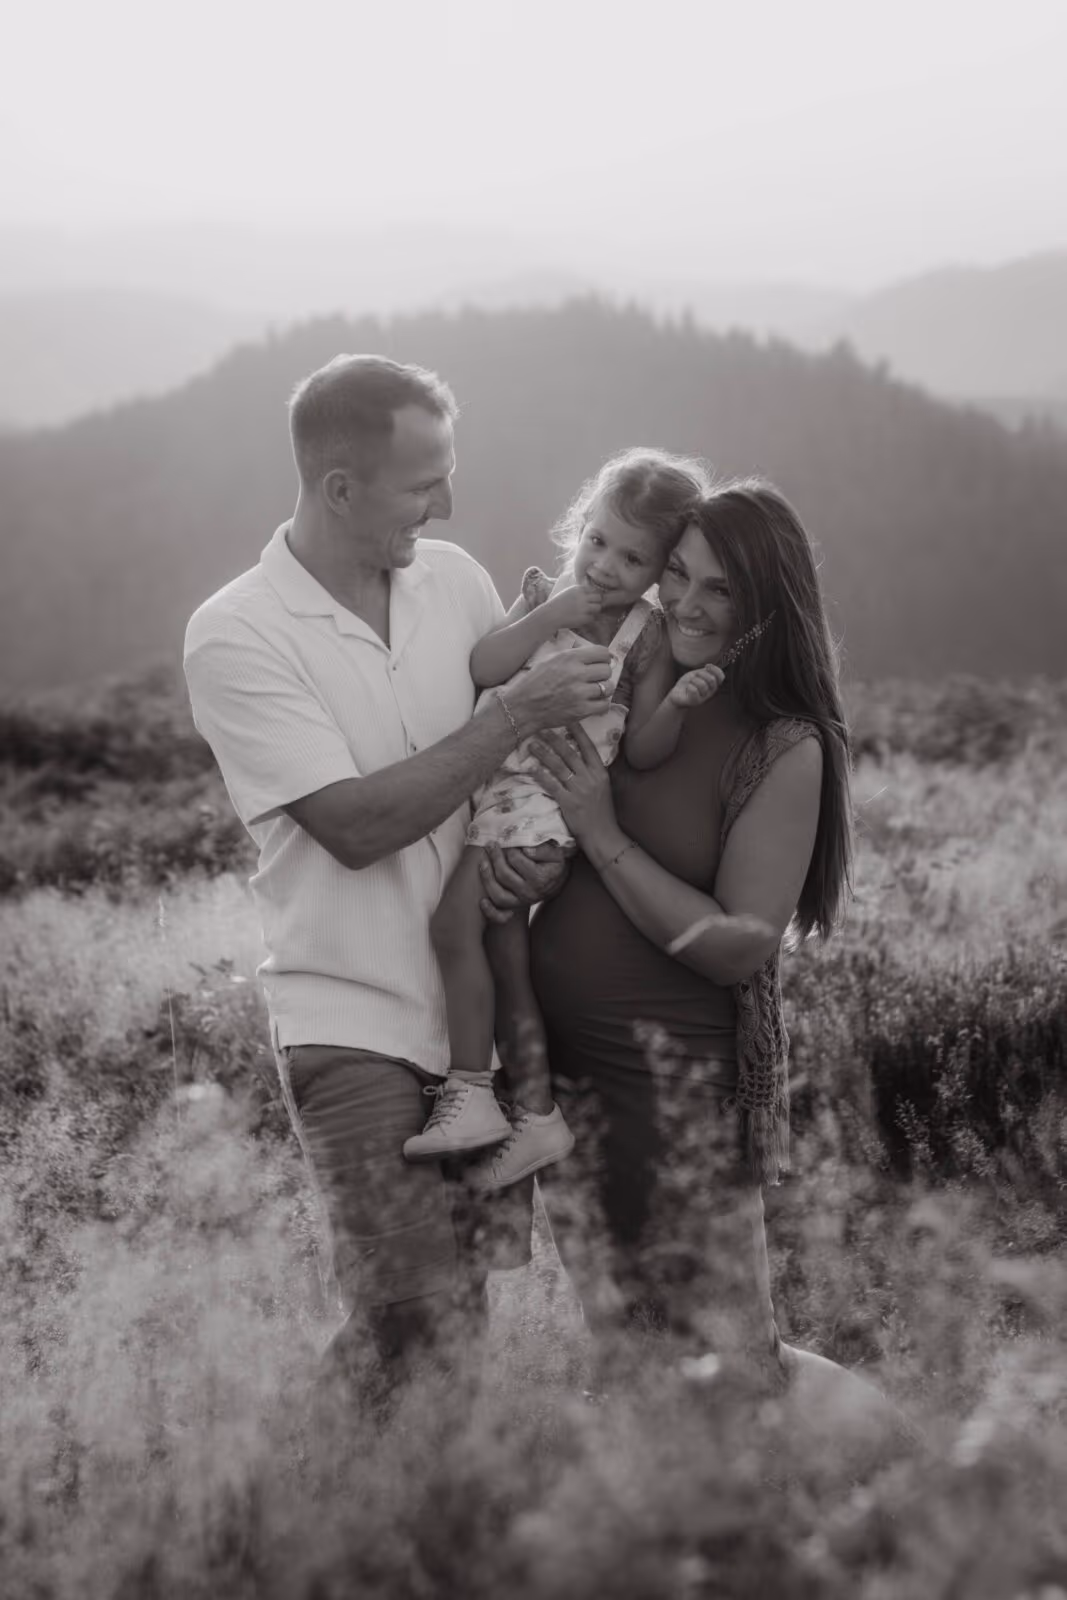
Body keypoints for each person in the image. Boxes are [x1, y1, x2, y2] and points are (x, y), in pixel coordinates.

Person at [182, 353, 613, 1404]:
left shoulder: (457, 580)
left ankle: (352, 1519)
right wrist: (514, 710)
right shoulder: (235, 631)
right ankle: (291, 1523)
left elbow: (497, 780)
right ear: (338, 487)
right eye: (424, 483)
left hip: (472, 1032)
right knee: (411, 1320)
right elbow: (357, 824)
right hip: (350, 1022)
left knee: (447, 1320)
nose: (449, 502)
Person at [524, 477, 855, 1388]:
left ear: (764, 607)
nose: (685, 603)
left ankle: (853, 1476)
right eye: (677, 573)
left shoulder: (784, 745)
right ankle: (680, 1523)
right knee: (625, 1342)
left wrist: (598, 831)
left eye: (720, 589)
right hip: (569, 1080)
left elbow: (741, 942)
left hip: (674, 1088)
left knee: (724, 1350)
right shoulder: (639, 676)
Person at [407, 450, 711, 1190]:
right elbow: (484, 665)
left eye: (633, 557)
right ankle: (538, 1116)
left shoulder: (643, 640)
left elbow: (637, 750)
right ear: (580, 528)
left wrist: (672, 706)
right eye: (597, 540)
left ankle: (471, 1091)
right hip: (498, 802)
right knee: (507, 963)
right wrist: (547, 612)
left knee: (451, 929)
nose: (605, 566)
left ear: (659, 572)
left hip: (536, 813)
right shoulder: (546, 592)